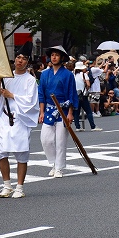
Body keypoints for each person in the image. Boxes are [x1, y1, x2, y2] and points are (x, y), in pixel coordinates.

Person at [0, 50, 40, 199]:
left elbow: (31, 101)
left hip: (20, 118)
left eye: (24, 58)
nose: (20, 60)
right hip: (4, 118)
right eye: (18, 57)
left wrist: (12, 95)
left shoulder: (30, 80)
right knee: (1, 153)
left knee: (21, 153)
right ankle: (7, 185)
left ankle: (20, 187)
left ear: (27, 62)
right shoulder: (6, 77)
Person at [38, 46, 78, 179]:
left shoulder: (68, 74)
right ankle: (54, 162)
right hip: (49, 109)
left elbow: (71, 94)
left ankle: (59, 167)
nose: (54, 57)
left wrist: (70, 112)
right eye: (52, 55)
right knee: (45, 139)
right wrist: (41, 112)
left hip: (63, 109)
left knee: (60, 141)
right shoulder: (44, 74)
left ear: (62, 58)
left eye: (57, 55)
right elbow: (41, 94)